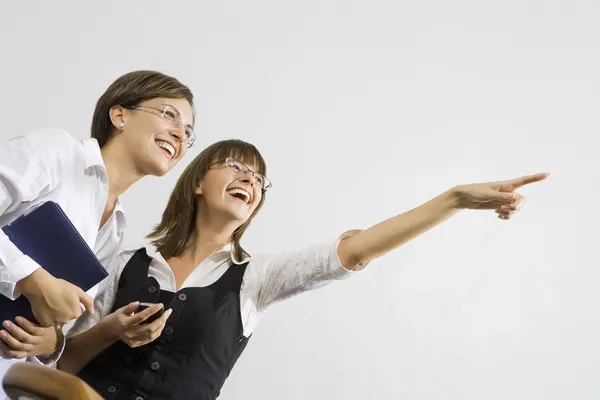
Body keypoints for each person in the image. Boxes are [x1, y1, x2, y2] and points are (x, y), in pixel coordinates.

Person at [2, 139, 548, 399]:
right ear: (197, 182)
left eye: (259, 179)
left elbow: (356, 249)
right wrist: (109, 333)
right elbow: (61, 359)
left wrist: (453, 198)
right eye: (236, 167)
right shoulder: (124, 260)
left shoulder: (257, 278)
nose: (250, 181)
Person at [0, 70, 195, 372]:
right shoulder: (58, 152)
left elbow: (62, 326)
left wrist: (51, 340)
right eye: (169, 115)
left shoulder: (116, 229)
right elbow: (42, 289)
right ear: (119, 115)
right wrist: (33, 280)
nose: (180, 134)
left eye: (188, 132)